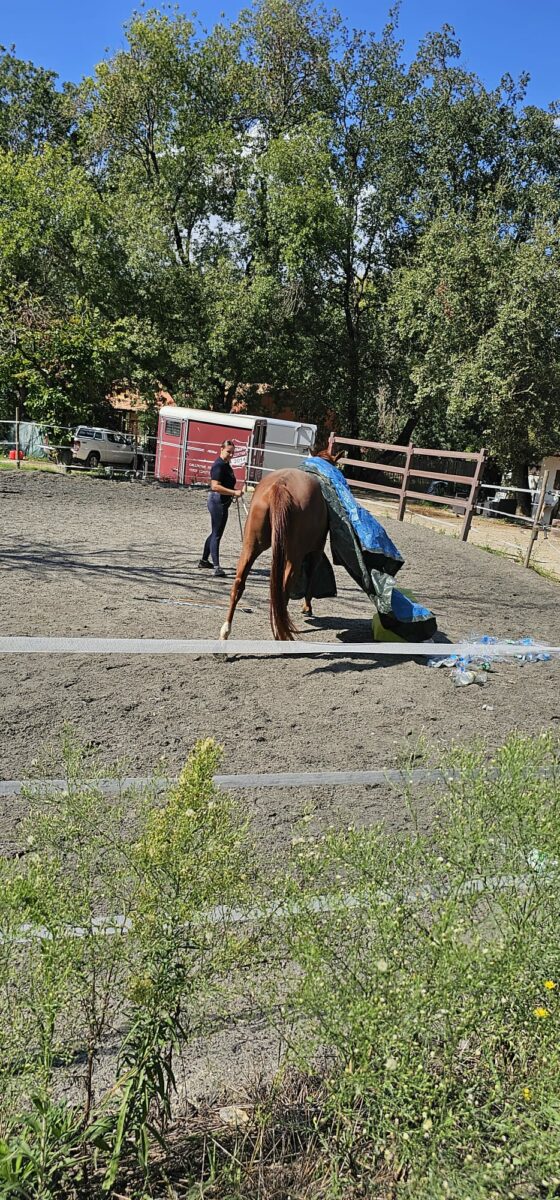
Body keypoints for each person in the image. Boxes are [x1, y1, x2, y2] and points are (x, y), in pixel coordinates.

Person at [198, 440, 244, 577]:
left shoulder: (226, 465)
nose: (231, 455)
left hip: (221, 500)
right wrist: (233, 493)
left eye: (232, 452)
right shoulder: (219, 466)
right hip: (218, 502)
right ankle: (216, 567)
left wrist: (233, 491)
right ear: (221, 449)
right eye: (228, 451)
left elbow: (225, 485)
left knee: (214, 532)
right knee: (217, 534)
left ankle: (204, 560)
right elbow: (215, 486)